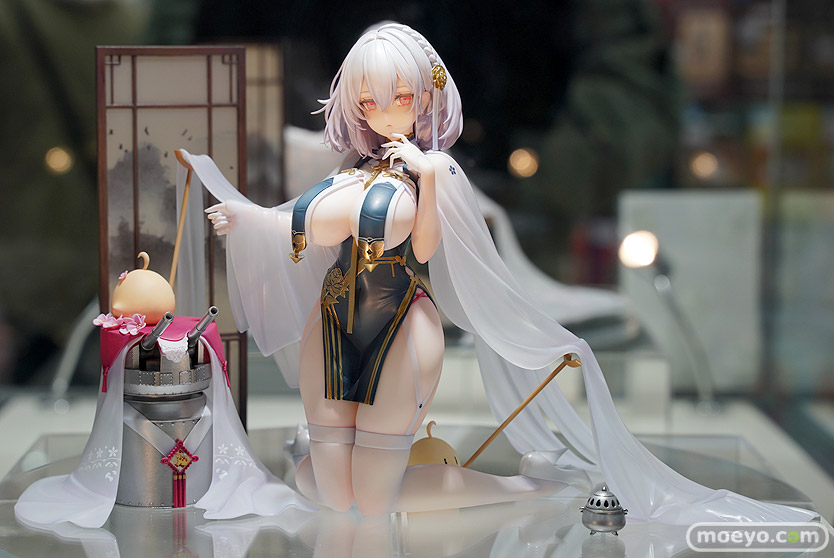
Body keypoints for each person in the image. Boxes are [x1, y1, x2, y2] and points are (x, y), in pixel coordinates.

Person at [196, 23, 817, 524]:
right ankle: (318, 463)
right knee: (336, 495)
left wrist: (429, 175)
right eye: (368, 100)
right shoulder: (351, 173)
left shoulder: (433, 172)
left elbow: (423, 243)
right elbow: (306, 223)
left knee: (374, 499)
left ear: (425, 97)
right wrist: (249, 219)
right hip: (332, 322)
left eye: (399, 97)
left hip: (400, 325)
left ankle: (521, 490)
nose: (382, 112)